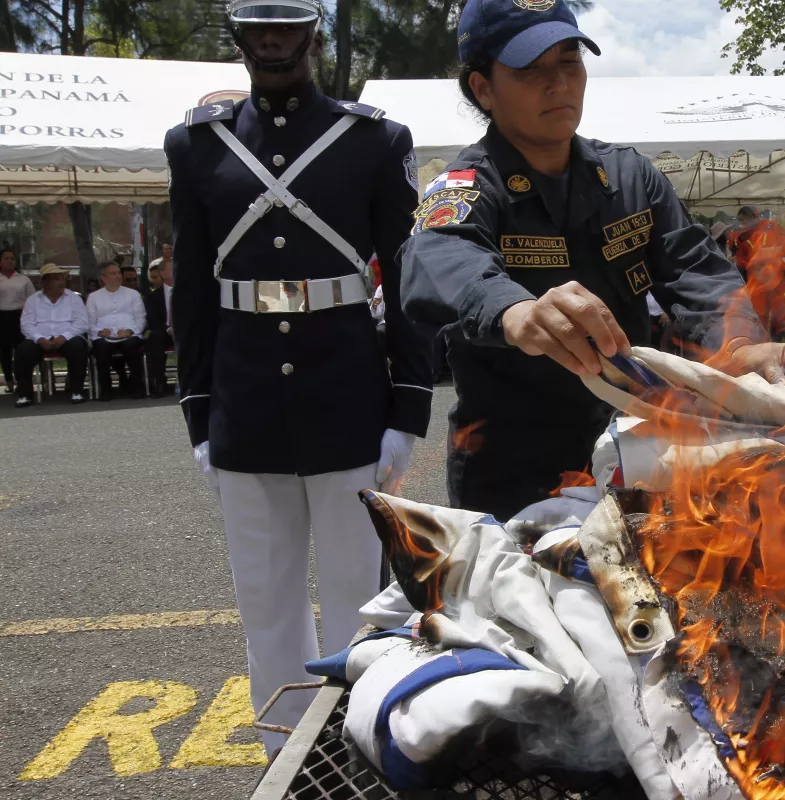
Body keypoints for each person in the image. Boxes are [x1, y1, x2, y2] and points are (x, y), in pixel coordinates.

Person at [401, 0, 785, 522]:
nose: (559, 84)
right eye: (531, 70)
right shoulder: (467, 186)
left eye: (569, 61)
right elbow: (437, 255)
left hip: (635, 448)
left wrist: (743, 346)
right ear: (482, 88)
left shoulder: (630, 176)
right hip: (513, 466)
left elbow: (695, 272)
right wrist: (515, 310)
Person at [164, 0, 432, 756]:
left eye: (288, 21)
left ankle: (359, 747)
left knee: (360, 599)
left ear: (314, 31)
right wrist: (198, 413)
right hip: (245, 408)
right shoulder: (194, 145)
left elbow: (407, 278)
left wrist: (407, 408)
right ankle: (286, 751)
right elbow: (191, 289)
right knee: (265, 602)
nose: (273, 37)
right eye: (258, 21)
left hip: (347, 398)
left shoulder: (373, 140)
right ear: (238, 32)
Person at [14, 264, 90, 407]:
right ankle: (24, 394)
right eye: (56, 279)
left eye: (62, 278)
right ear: (45, 282)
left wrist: (64, 337)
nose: (61, 282)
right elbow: (26, 324)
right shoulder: (33, 300)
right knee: (23, 351)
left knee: (78, 347)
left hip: (67, 337)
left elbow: (82, 323)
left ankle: (77, 391)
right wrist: (40, 339)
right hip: (40, 338)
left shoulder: (74, 298)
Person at [85, 261, 148, 400]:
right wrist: (99, 331)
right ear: (104, 277)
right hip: (104, 336)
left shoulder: (133, 294)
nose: (118, 276)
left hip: (128, 335)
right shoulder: (93, 297)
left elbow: (141, 318)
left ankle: (137, 386)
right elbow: (89, 322)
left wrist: (130, 331)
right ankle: (105, 388)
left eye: (119, 273)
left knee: (132, 346)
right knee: (101, 347)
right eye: (113, 273)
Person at [732, 205, 785, 340]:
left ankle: (782, 338)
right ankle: (761, 341)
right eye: (740, 220)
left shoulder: (771, 226)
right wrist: (751, 263)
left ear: (754, 217)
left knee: (780, 309)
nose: (742, 223)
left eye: (745, 219)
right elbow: (740, 258)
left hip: (774, 272)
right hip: (755, 277)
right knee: (758, 312)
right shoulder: (741, 236)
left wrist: (771, 255)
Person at [0, 246, 36, 394]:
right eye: (6, 258)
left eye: (12, 259)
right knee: (4, 351)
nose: (10, 261)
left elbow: (32, 299)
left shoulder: (23, 279)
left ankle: (23, 381)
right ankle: (9, 381)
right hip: (1, 317)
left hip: (20, 316)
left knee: (22, 350)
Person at [144, 256, 174, 397]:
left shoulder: (190, 291)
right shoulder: (153, 297)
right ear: (162, 273)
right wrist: (169, 329)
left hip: (186, 331)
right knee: (154, 337)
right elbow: (152, 320)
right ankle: (159, 382)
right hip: (165, 331)